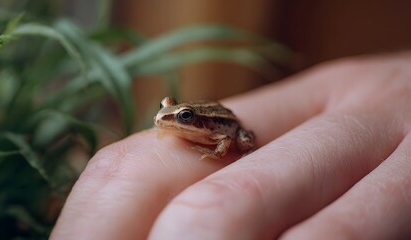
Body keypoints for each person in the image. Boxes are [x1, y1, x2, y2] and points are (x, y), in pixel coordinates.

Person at [50, 51, 411, 239]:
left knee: (245, 142)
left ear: (195, 119)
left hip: (231, 124)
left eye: (182, 117)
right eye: (167, 111)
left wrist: (215, 155)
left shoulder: (212, 129)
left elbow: (226, 139)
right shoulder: (177, 122)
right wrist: (173, 126)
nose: (169, 118)